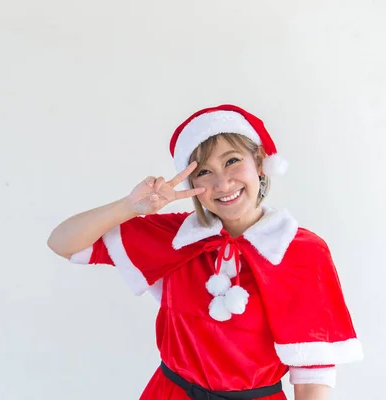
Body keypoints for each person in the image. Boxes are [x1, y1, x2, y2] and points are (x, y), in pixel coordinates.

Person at [47, 104, 363, 400]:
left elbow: (313, 368)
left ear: (260, 162)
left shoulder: (302, 252)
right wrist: (130, 207)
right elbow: (63, 243)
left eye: (232, 161)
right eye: (204, 172)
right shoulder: (176, 238)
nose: (223, 183)